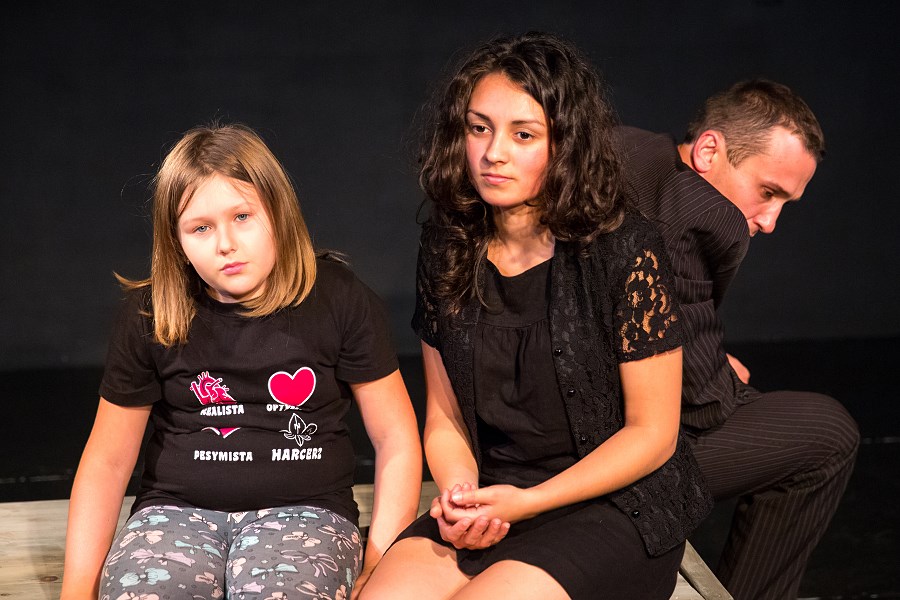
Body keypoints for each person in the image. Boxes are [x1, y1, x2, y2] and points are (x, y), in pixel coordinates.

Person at [360, 32, 712, 600]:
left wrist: (530, 502)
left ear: (565, 144)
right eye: (479, 128)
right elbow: (445, 416)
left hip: (612, 506)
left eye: (522, 134)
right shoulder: (447, 244)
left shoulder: (624, 250)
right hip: (498, 496)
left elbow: (652, 435)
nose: (493, 152)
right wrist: (462, 495)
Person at [60, 123, 422, 600]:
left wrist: (379, 563)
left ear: (278, 211)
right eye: (201, 228)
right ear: (177, 241)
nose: (225, 244)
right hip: (174, 513)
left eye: (243, 216)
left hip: (306, 514)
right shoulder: (150, 314)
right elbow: (107, 462)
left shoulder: (340, 299)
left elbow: (396, 439)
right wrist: (76, 588)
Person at [616, 80, 860, 599]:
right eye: (768, 192)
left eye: (786, 203)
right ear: (709, 150)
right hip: (600, 449)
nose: (770, 222)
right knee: (827, 435)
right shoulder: (696, 214)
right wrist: (722, 377)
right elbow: (705, 403)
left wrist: (707, 362)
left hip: (555, 410)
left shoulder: (632, 147)